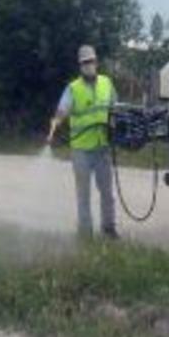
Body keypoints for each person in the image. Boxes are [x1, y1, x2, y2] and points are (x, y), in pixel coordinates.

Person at [47, 45, 118, 240]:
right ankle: (85, 233)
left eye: (91, 61)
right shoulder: (73, 88)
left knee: (107, 192)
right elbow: (62, 110)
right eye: (85, 62)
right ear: (80, 65)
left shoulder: (107, 83)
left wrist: (115, 126)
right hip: (81, 150)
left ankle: (108, 228)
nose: (89, 65)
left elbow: (115, 108)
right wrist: (54, 127)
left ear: (97, 62)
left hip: (102, 146)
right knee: (83, 194)